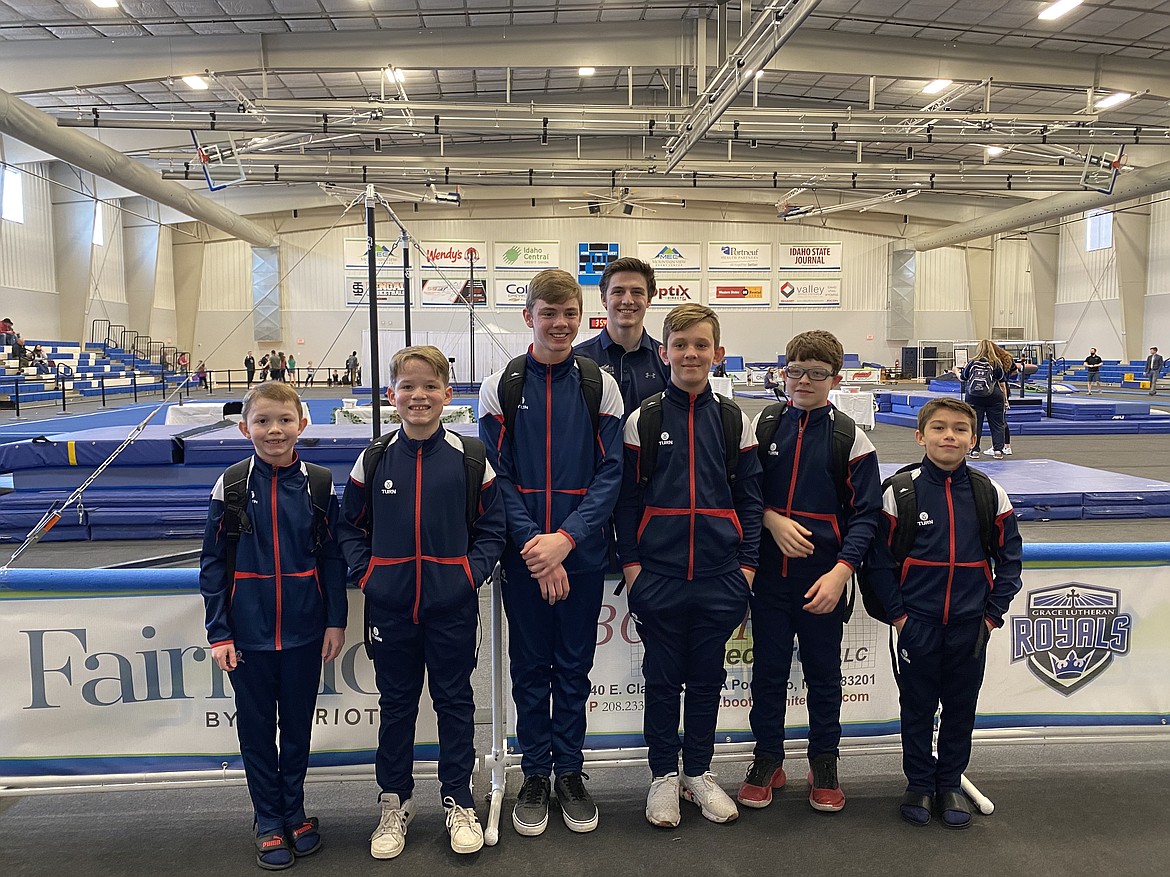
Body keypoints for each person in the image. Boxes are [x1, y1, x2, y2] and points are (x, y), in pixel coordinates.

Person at [338, 345, 506, 859]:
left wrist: (465, 574)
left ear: (448, 394)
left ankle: (458, 800)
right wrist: (371, 576)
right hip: (390, 610)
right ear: (390, 395)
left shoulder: (471, 458)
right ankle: (395, 804)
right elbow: (348, 528)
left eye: (429, 386)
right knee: (396, 709)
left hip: (451, 608)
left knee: (455, 705)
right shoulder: (372, 461)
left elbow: (493, 530)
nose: (418, 396)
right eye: (407, 386)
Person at [479, 268, 624, 837]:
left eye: (569, 314)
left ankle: (570, 772)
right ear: (529, 317)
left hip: (580, 553)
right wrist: (535, 548)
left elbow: (611, 475)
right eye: (548, 313)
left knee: (573, 669)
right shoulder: (502, 387)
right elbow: (499, 477)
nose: (559, 324)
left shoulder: (599, 385)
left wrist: (566, 541)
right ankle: (534, 772)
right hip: (525, 557)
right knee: (530, 669)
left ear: (580, 316)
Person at [615, 303, 762, 828]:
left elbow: (749, 499)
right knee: (660, 681)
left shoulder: (733, 420)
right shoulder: (645, 419)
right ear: (664, 352)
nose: (690, 354)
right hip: (660, 577)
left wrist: (745, 570)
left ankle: (697, 773)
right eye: (680, 345)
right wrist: (633, 569)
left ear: (717, 354)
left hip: (721, 578)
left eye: (701, 345)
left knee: (706, 681)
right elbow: (626, 501)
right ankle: (661, 778)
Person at [198, 381, 347, 870]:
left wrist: (335, 621)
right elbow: (213, 565)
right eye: (262, 421)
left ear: (302, 424)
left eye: (284, 420)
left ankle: (296, 812)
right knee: (258, 733)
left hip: (305, 634)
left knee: (298, 730)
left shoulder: (321, 484)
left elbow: (331, 559)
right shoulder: (233, 485)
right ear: (245, 428)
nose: (274, 430)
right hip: (249, 638)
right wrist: (219, 631)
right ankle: (267, 819)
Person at [739, 330, 882, 814]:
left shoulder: (851, 438)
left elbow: (865, 517)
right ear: (783, 372)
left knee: (824, 675)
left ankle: (824, 760)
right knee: (768, 672)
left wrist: (842, 572)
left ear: (835, 379)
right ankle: (767, 757)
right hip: (770, 579)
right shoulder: (766, 424)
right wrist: (771, 521)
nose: (804, 380)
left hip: (824, 582)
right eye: (796, 370)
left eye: (817, 373)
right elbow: (745, 492)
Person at [865, 398, 1022, 829]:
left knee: (960, 708)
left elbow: (1010, 562)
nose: (948, 436)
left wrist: (991, 617)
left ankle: (949, 781)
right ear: (921, 436)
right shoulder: (900, 491)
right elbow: (877, 563)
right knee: (916, 707)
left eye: (958, 429)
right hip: (917, 624)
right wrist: (899, 618)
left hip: (971, 627)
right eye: (938, 428)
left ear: (973, 439)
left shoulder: (990, 494)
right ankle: (918, 781)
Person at [573, 257, 670, 415]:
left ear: (649, 299)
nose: (628, 300)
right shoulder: (578, 359)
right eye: (618, 292)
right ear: (604, 298)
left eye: (637, 292)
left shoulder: (666, 360)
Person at [960, 340, 1008, 459]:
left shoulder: (972, 362)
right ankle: (998, 450)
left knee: (975, 424)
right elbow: (1002, 383)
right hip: (994, 397)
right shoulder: (996, 363)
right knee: (997, 424)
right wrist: (1005, 399)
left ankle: (974, 450)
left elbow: (963, 378)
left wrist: (956, 371)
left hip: (974, 397)